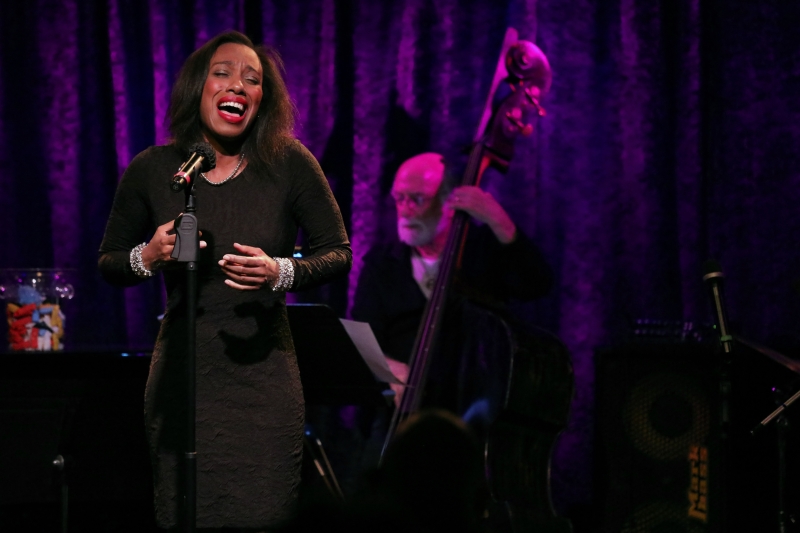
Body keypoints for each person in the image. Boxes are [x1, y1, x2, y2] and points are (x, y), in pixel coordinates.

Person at [98, 31, 351, 530]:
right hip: (181, 380)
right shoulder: (156, 169)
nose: (238, 85)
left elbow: (338, 252)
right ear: (198, 86)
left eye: (252, 80)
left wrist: (281, 271)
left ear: (262, 100)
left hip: (263, 385)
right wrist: (147, 255)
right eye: (223, 72)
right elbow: (108, 261)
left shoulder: (289, 163)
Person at [351, 152, 553, 410]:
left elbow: (537, 284)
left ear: (449, 200)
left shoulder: (481, 250)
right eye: (399, 199)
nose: (405, 209)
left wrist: (498, 220)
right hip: (400, 411)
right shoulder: (383, 264)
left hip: (475, 406)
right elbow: (362, 337)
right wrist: (392, 370)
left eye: (418, 199)